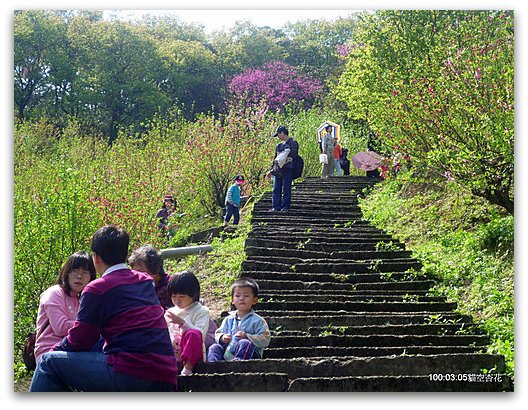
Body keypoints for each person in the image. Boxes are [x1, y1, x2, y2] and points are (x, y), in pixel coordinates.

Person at [29, 225, 178, 392]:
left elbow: (81, 340)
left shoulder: (97, 289)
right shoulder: (144, 280)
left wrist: (54, 351)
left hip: (132, 373)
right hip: (166, 374)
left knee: (48, 363)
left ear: (96, 258)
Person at [33, 251, 97, 365]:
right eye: (75, 271)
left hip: (74, 350)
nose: (79, 276)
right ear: (66, 273)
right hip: (49, 351)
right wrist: (91, 326)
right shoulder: (55, 293)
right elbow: (60, 327)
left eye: (85, 272)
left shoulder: (83, 299)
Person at [207, 277, 271, 362]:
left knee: (244, 343)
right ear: (232, 300)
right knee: (214, 347)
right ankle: (213, 367)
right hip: (227, 352)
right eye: (238, 295)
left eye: (246, 296)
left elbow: (265, 339)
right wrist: (223, 337)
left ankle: (238, 365)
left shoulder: (258, 321)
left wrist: (248, 337)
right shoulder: (228, 320)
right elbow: (218, 334)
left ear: (254, 300)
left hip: (250, 354)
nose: (241, 298)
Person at [165, 271, 211, 376]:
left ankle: (187, 368)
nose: (177, 300)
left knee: (193, 333)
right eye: (174, 296)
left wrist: (182, 323)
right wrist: (172, 341)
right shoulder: (170, 312)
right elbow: (166, 331)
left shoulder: (202, 311)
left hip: (193, 353)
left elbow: (200, 334)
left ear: (193, 295)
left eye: (181, 296)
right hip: (174, 352)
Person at [128, 244, 173, 310]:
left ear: (154, 268)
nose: (137, 275)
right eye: (134, 271)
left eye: (141, 271)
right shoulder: (135, 288)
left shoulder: (172, 286)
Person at [265, 125, 299, 212]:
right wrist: (271, 171)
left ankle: (285, 207)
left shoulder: (293, 143)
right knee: (276, 189)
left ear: (283, 133)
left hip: (288, 169)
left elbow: (294, 155)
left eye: (279, 135)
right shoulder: (279, 146)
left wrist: (288, 150)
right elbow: (275, 159)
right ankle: (276, 207)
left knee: (286, 188)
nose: (278, 137)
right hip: (278, 170)